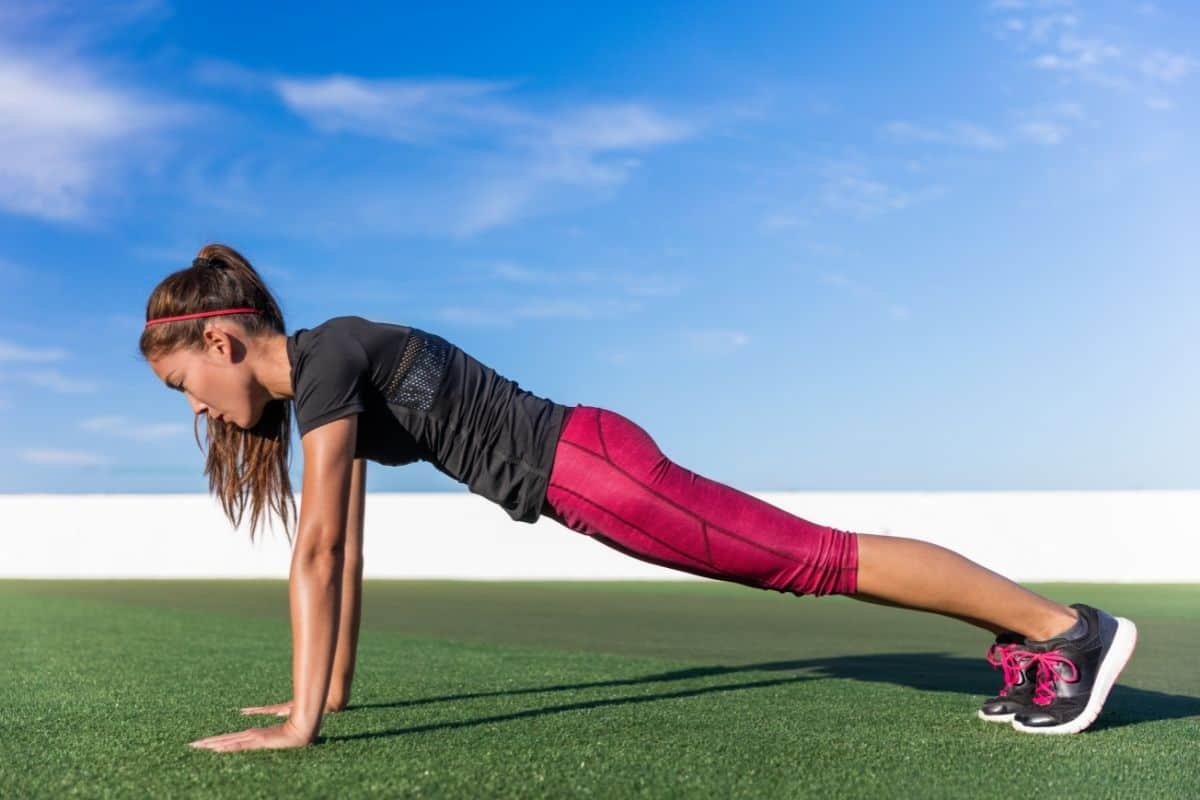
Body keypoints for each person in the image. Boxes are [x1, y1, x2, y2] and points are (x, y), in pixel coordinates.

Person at [142, 244, 1137, 753]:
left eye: (186, 385)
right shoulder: (331, 365)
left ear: (220, 343)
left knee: (818, 558)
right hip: (592, 467)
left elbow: (317, 551)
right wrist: (327, 694)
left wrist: (298, 727)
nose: (201, 408)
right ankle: (1047, 632)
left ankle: (1065, 627)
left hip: (595, 469)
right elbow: (345, 545)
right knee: (813, 559)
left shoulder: (326, 361)